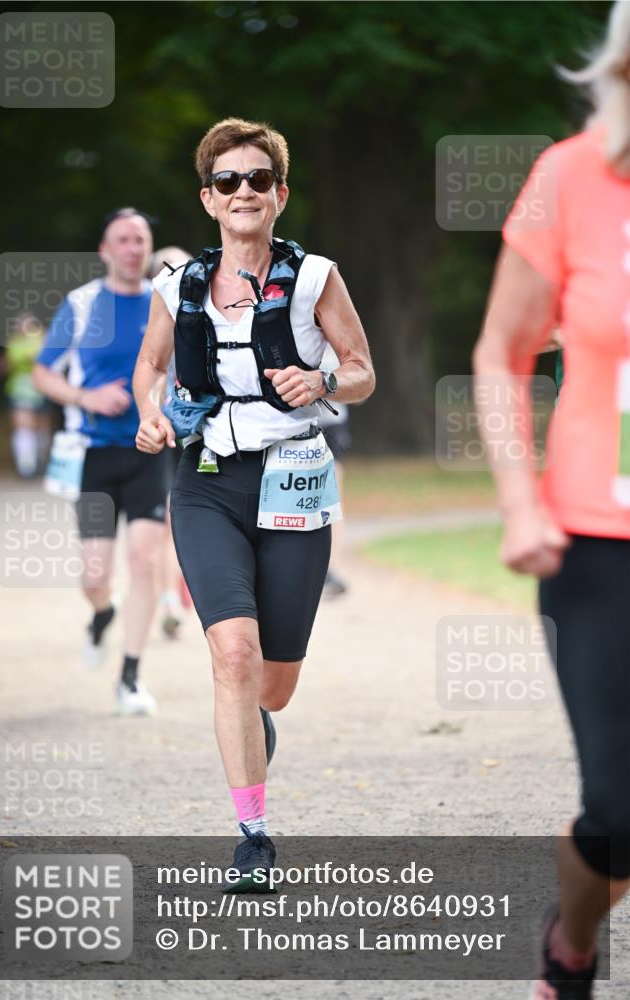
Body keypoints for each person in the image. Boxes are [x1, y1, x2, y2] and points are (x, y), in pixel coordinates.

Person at [134, 117, 375, 886]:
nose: (245, 192)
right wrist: (148, 411)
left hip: (294, 478)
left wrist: (325, 382)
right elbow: (150, 368)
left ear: (279, 194)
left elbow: (362, 369)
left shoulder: (314, 278)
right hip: (205, 483)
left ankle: (255, 718)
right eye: (228, 181)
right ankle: (252, 836)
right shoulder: (177, 286)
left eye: (259, 180)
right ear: (208, 199)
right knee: (230, 654)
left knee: (272, 681)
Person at [473, 4, 630, 996]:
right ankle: (569, 943)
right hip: (593, 537)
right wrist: (517, 503)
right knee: (616, 807)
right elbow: (500, 352)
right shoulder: (567, 178)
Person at [32, 208, 168, 716]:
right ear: (105, 251)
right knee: (94, 574)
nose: (134, 248)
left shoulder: (165, 302)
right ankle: (101, 612)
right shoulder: (83, 304)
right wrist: (85, 398)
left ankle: (130, 676)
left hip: (149, 451)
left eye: (141, 239)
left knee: (145, 560)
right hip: (94, 456)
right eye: (123, 240)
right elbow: (44, 373)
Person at [148, 246, 193, 640]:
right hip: (165, 431)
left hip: (204, 433)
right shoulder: (150, 325)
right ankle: (169, 599)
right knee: (168, 519)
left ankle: (180, 591)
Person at [0, 312, 52, 478]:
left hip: (42, 389)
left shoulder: (44, 340)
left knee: (41, 427)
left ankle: (40, 461)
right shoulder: (15, 344)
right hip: (20, 391)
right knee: (24, 426)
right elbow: (2, 366)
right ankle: (26, 466)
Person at [319, 343, 353, 598]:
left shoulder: (335, 337)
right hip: (289, 427)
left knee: (333, 498)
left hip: (331, 425)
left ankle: (332, 568)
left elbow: (359, 385)